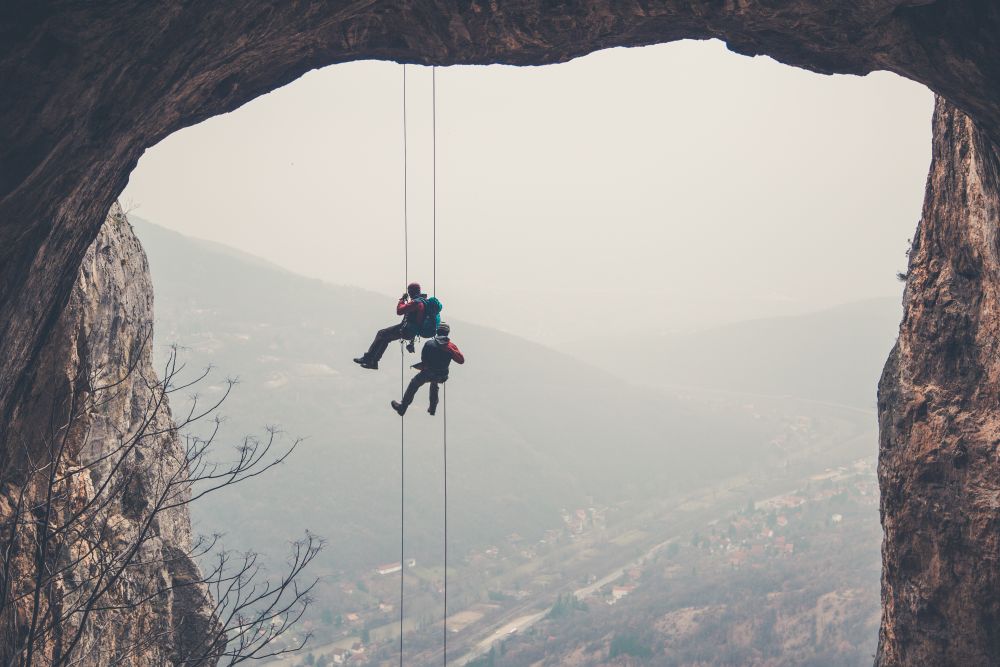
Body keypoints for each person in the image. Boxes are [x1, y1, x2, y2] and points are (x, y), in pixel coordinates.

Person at [354, 282, 441, 370]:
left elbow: (399, 311)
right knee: (385, 338)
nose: (409, 294)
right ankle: (374, 362)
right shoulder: (424, 302)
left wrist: (402, 300)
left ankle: (368, 358)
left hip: (406, 330)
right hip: (411, 331)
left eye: (409, 291)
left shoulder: (416, 303)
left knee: (381, 333)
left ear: (411, 291)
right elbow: (418, 320)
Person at [391, 322, 464, 416]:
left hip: (428, 372)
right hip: (442, 375)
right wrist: (450, 350)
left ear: (437, 331)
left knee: (414, 384)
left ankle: (402, 408)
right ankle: (432, 409)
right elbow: (461, 360)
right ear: (448, 333)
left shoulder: (429, 343)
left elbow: (424, 359)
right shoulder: (451, 346)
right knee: (434, 383)